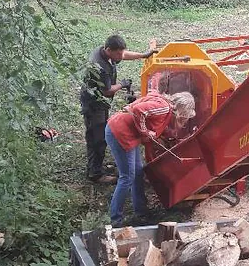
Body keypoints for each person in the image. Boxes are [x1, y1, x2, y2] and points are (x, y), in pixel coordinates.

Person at [105, 91, 195, 227]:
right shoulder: (164, 108)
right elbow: (137, 110)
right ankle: (115, 220)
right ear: (182, 110)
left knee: (138, 173)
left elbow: (154, 125)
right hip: (119, 132)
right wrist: (145, 132)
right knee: (127, 176)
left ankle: (141, 212)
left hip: (128, 134)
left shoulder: (165, 110)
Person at [80, 35, 157, 184]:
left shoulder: (107, 52)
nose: (121, 56)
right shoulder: (99, 66)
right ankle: (95, 174)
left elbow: (123, 54)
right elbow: (108, 91)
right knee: (97, 138)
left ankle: (95, 167)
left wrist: (144, 55)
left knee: (98, 135)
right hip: (94, 105)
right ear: (108, 50)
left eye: (121, 52)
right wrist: (122, 84)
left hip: (101, 103)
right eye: (118, 54)